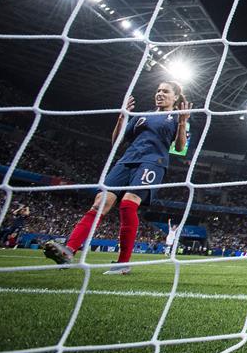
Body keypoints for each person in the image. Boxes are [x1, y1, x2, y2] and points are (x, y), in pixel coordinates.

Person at [43, 82, 192, 275]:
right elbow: (116, 142)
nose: (160, 94)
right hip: (126, 160)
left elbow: (180, 148)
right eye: (157, 90)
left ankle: (123, 263)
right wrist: (122, 118)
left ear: (175, 98)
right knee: (100, 203)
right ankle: (69, 251)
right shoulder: (141, 116)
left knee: (128, 204)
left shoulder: (176, 118)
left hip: (153, 162)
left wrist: (182, 123)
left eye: (165, 91)